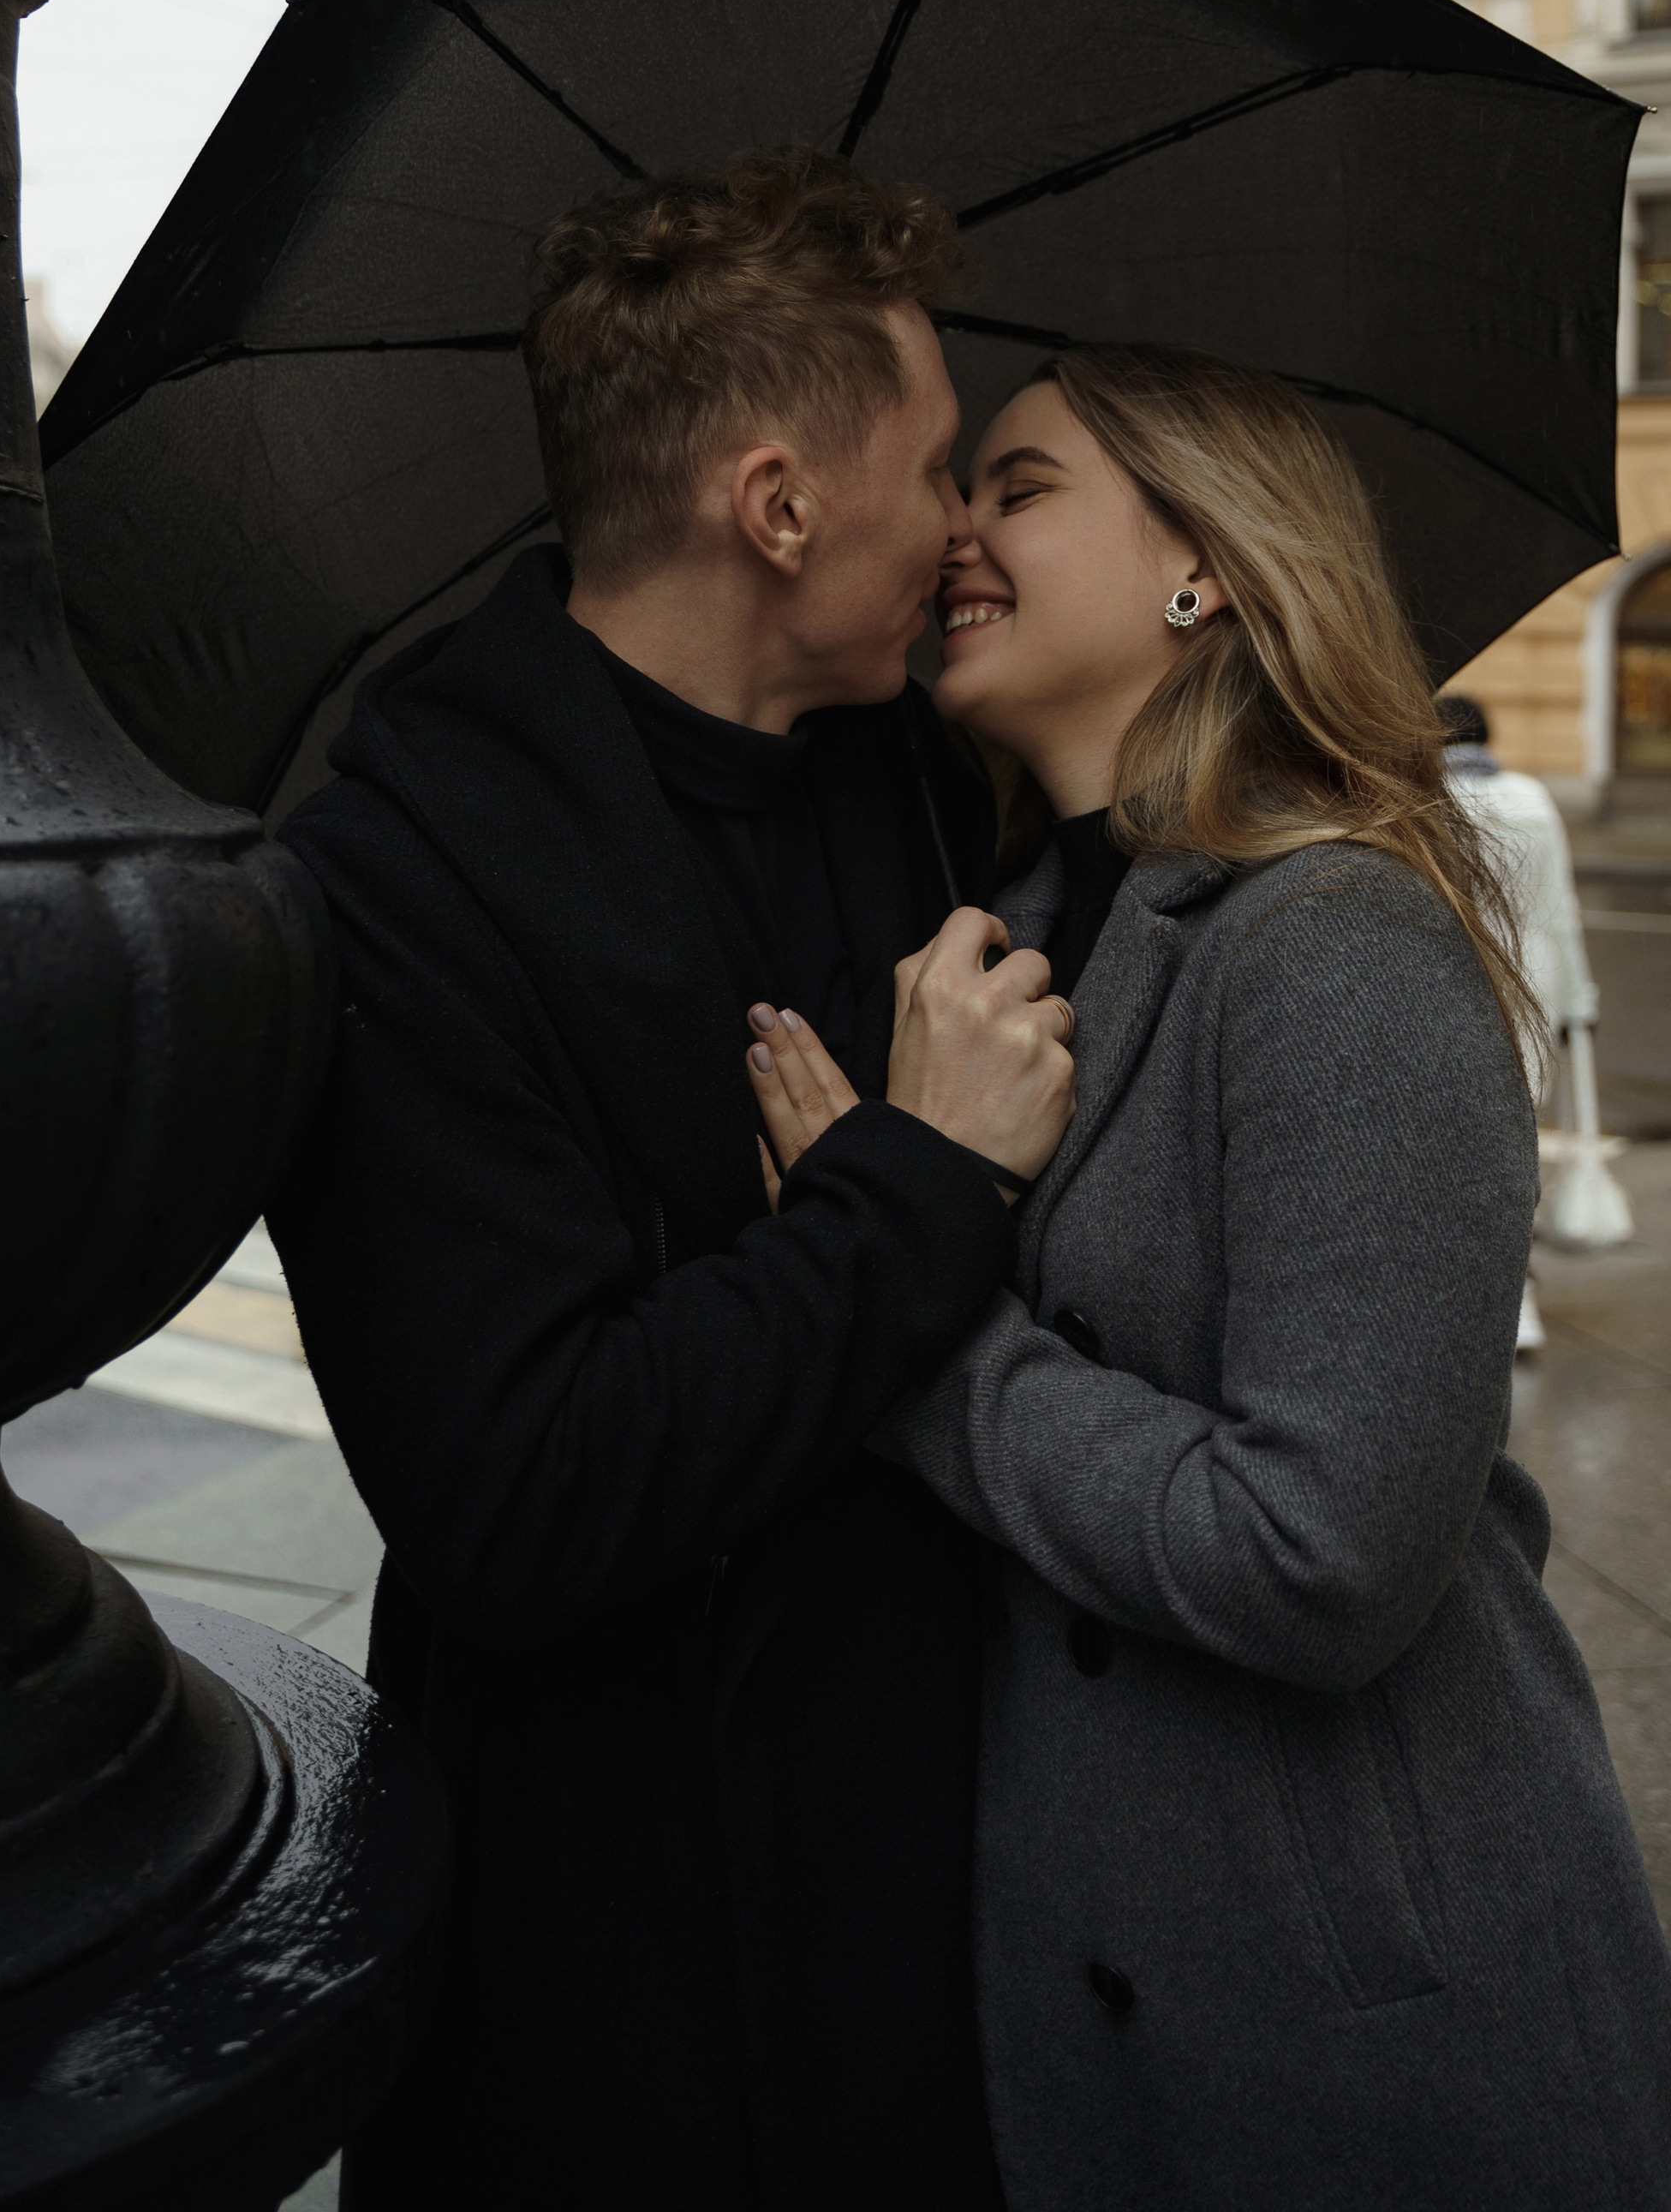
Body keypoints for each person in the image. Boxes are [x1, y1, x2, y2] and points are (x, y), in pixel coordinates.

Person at [746, 342, 1671, 2211]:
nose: (956, 532)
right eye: (961, 489)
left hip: (1377, 2032)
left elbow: (1325, 1552)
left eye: (1019, 487)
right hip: (1096, 2017)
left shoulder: (1335, 934)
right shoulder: (999, 959)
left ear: (1202, 560)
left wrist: (904, 1330)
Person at [269, 148, 1075, 2212]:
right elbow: (522, 1486)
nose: (962, 525)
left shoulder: (918, 772)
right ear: (777, 504)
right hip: (623, 1966)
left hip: (932, 1889)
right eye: (933, 464)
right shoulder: (392, 884)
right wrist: (908, 1188)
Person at [1441, 691, 1627, 1290]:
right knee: (1515, 1130)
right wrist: (1580, 1002)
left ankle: (1486, 1279)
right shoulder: (1533, 798)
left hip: (1450, 979)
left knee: (1455, 1139)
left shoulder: (1424, 806)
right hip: (1534, 982)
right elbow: (1560, 912)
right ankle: (1517, 1276)